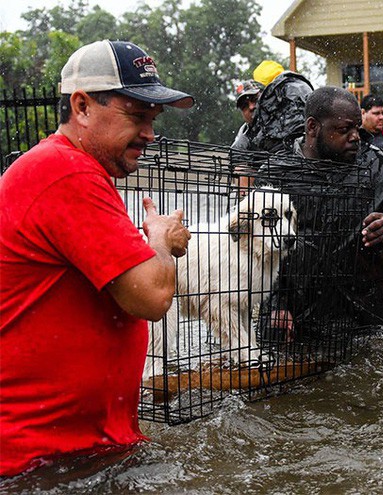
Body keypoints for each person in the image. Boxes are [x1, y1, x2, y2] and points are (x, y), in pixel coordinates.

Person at [0, 40, 194, 477]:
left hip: (73, 450)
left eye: (153, 119)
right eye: (136, 116)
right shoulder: (67, 172)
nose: (149, 132)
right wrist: (161, 240)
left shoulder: (70, 170)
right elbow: (150, 297)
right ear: (82, 106)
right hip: (37, 460)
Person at [257, 87, 383, 335]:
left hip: (367, 318)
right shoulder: (278, 173)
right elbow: (253, 248)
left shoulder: (375, 166)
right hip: (295, 319)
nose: (355, 136)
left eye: (357, 128)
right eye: (344, 130)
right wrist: (275, 303)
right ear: (313, 127)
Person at [247, 60, 314, 153]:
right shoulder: (300, 85)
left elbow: (279, 132)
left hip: (291, 152)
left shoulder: (275, 93)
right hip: (310, 146)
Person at [231, 79, 264, 152]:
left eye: (254, 100)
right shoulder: (243, 134)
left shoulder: (285, 120)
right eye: (244, 105)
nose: (251, 107)